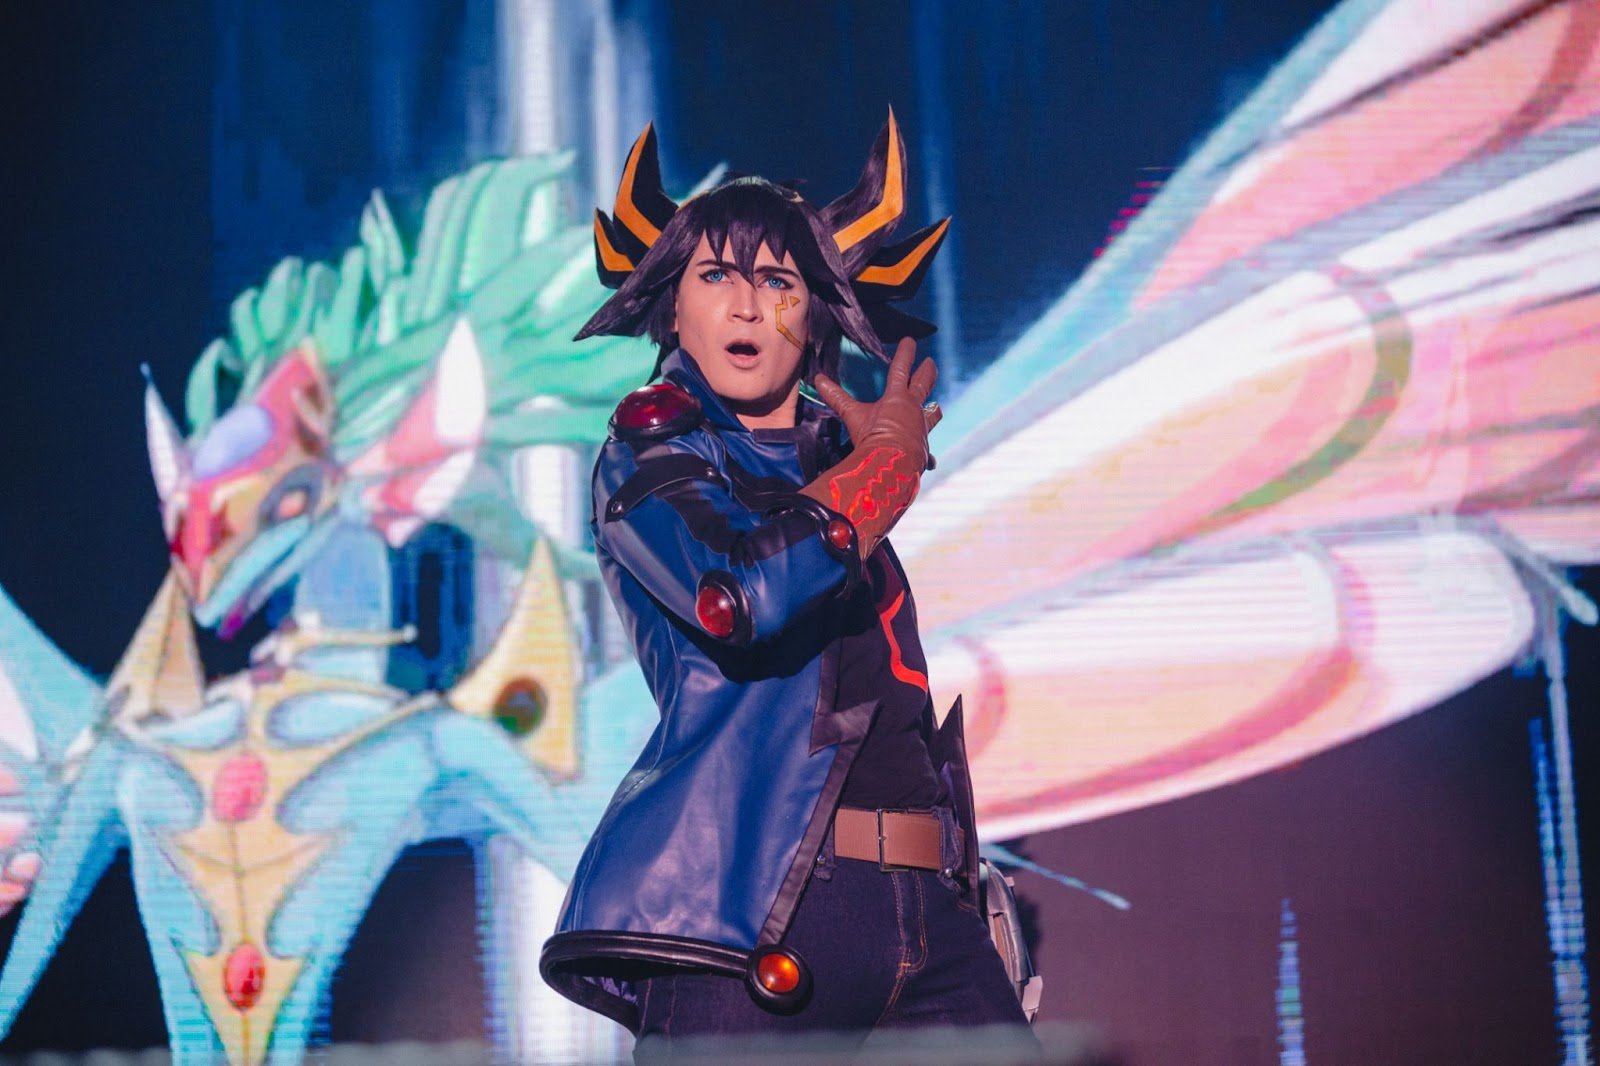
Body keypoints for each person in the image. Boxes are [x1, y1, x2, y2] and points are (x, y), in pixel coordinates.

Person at [540, 113, 1032, 1055]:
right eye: (715, 277)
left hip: (929, 914)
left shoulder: (831, 466)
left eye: (778, 282)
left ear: (814, 317)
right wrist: (872, 481)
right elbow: (741, 596)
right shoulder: (653, 451)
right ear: (671, 309)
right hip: (759, 911)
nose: (746, 306)